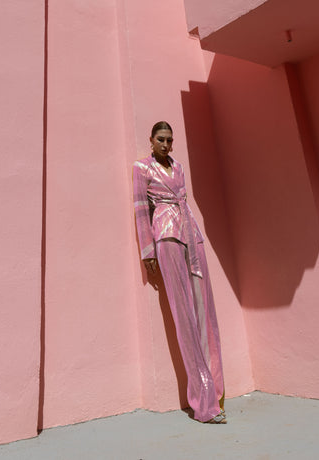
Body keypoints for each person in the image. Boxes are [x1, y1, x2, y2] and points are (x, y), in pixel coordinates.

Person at [133, 121, 226, 424]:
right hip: (167, 236)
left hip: (191, 234)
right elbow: (139, 209)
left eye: (170, 140)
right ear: (151, 140)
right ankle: (203, 404)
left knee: (204, 310)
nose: (166, 144)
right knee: (183, 315)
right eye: (161, 139)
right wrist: (147, 251)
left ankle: (216, 392)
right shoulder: (141, 168)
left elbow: (184, 200)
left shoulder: (179, 167)